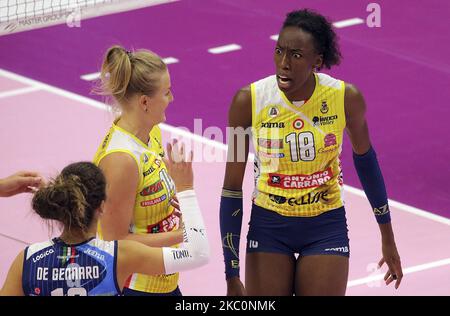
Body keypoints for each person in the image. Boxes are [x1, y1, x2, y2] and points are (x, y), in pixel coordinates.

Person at [219, 9, 403, 296]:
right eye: (279, 51)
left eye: (296, 55)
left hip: (325, 224)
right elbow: (231, 189)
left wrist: (387, 237)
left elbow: (367, 164)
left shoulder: (345, 98)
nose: (284, 63)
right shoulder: (249, 101)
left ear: (317, 61)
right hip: (269, 225)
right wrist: (232, 274)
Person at [0, 161, 209, 296]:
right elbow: (198, 254)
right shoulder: (118, 256)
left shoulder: (27, 260)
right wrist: (185, 190)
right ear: (102, 206)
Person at [92, 45, 193, 296]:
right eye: (167, 93)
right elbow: (115, 242)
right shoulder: (121, 160)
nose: (172, 98)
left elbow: (147, 192)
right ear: (145, 102)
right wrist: (181, 235)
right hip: (134, 286)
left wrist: (177, 190)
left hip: (163, 279)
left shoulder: (151, 132)